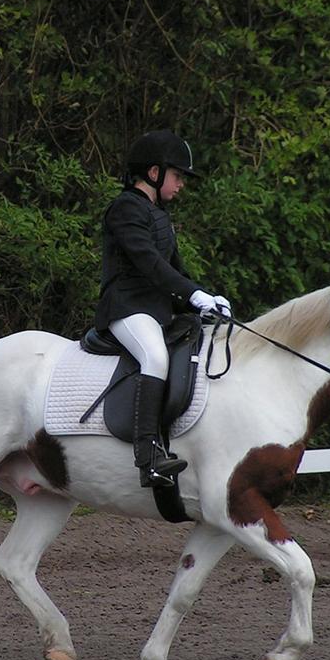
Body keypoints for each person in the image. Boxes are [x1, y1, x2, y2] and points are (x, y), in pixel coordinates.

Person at [94, 130, 232, 489]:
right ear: (154, 173)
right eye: (178, 175)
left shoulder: (159, 215)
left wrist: (204, 298)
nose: (181, 184)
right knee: (155, 357)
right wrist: (193, 293)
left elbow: (174, 270)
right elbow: (149, 263)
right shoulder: (125, 208)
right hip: (127, 307)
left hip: (157, 311)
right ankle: (148, 457)